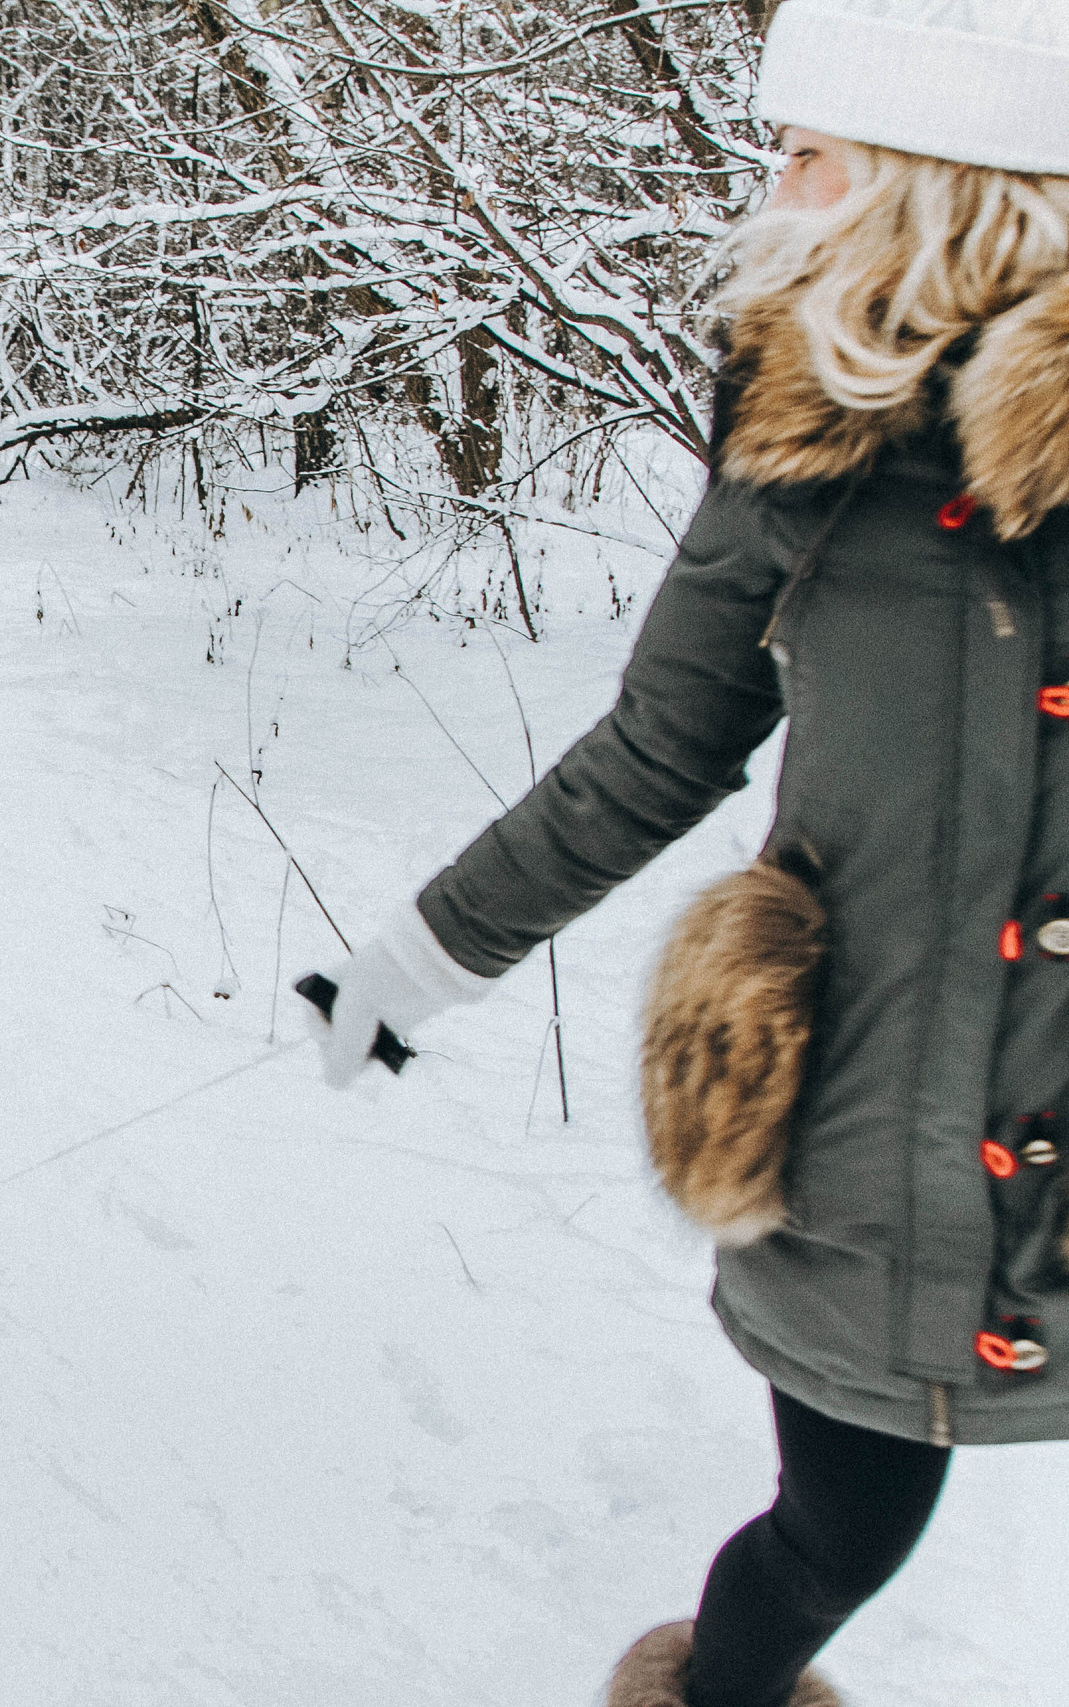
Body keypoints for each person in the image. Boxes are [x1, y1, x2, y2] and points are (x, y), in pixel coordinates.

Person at [307, 3, 1069, 1703]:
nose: (773, 186)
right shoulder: (800, 452)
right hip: (871, 1154)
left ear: (941, 180)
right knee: (844, 1529)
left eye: (807, 152)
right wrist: (415, 961)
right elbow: (657, 749)